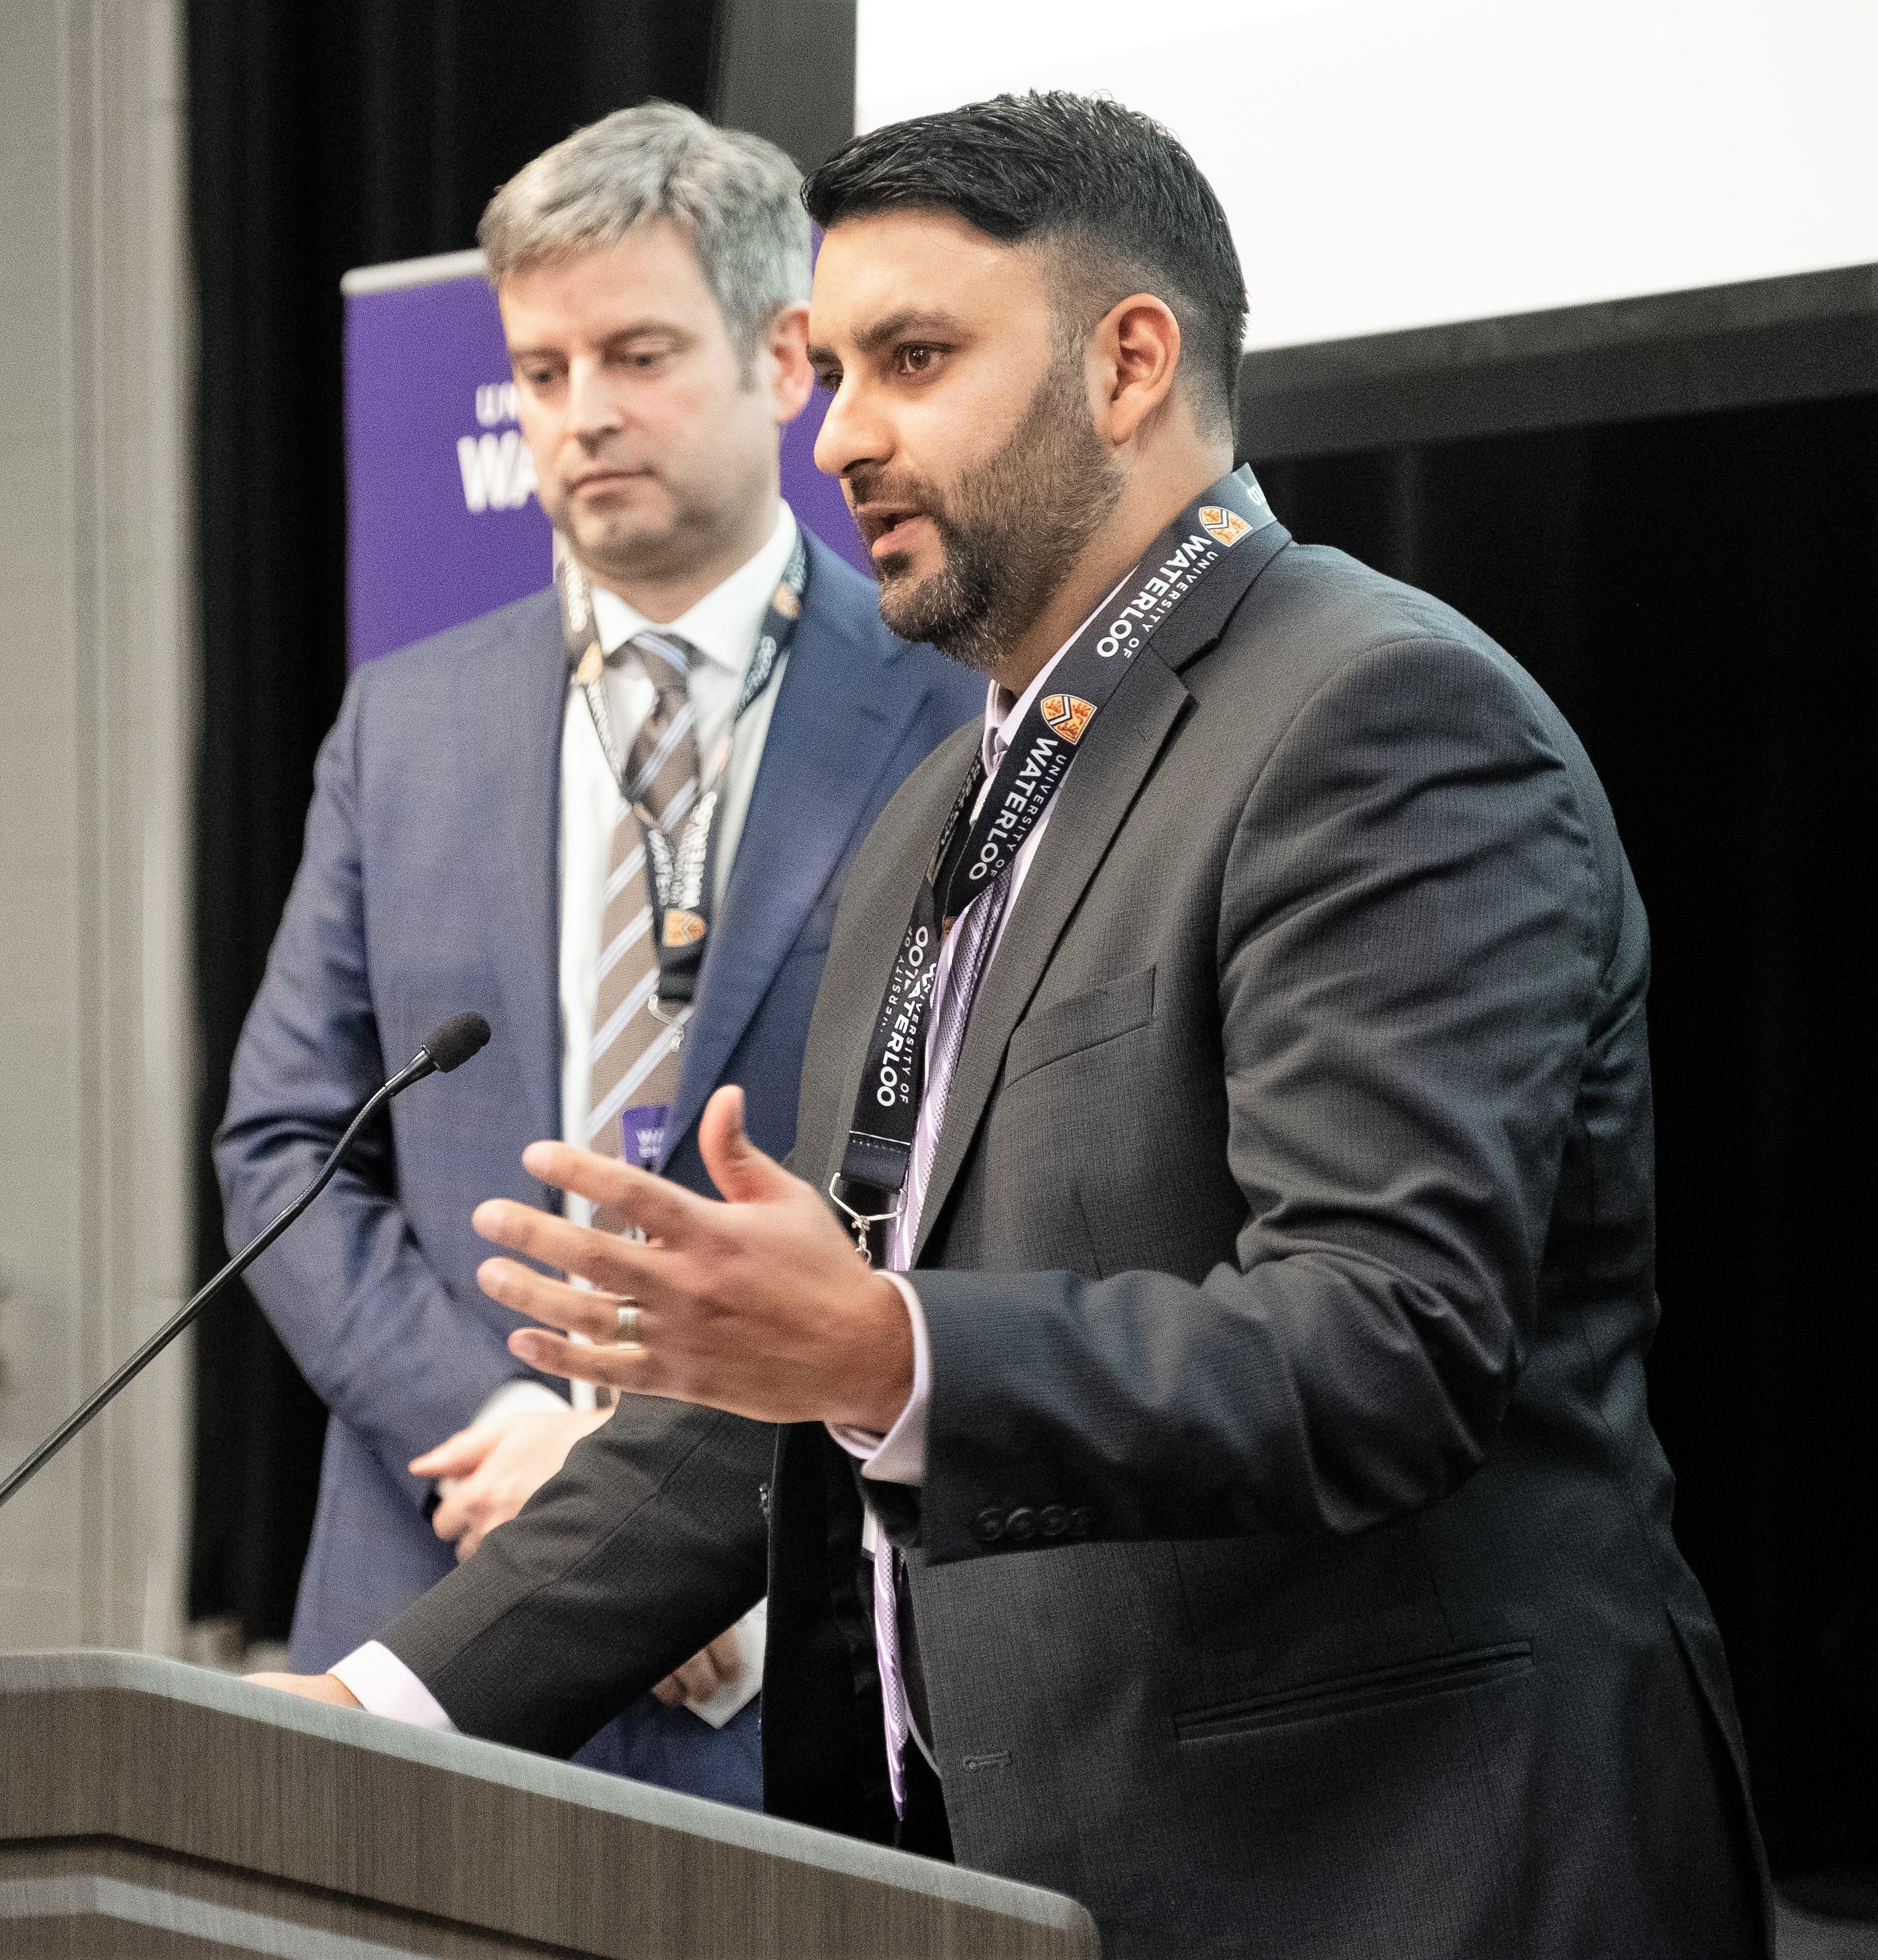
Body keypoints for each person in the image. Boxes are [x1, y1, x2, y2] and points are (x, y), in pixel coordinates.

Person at [255, 93, 1770, 1957]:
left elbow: (1383, 1343)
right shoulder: (942, 811)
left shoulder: (1377, 722)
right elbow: (772, 1404)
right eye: (826, 372)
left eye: (911, 361)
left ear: (1130, 361)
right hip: (1039, 1879)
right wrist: (369, 1712)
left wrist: (887, 1346)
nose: (842, 439)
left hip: (1398, 1874)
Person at [218, 101, 980, 1808]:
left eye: (634, 354)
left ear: (784, 360)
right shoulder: (405, 722)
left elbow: (963, 1184)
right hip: (439, 1576)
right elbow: (283, 1148)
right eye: (540, 370)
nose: (579, 416)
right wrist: (515, 1445)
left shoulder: (954, 711)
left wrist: (642, 1487)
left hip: (792, 1632)